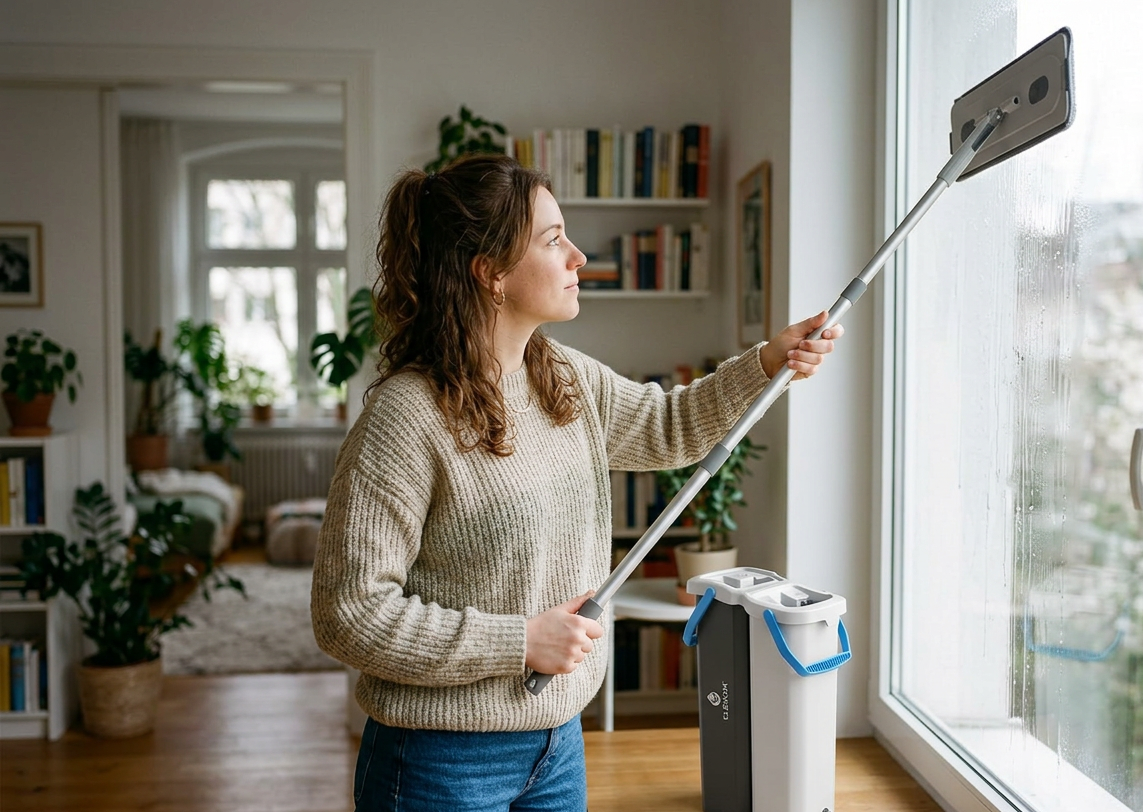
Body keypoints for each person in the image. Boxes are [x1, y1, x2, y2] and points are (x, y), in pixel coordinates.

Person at [311, 152, 845, 812]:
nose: (579, 256)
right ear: (491, 274)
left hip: (558, 745)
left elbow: (667, 427)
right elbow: (347, 613)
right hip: (438, 760)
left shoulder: (561, 376)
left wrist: (767, 362)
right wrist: (519, 642)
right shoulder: (406, 417)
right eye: (553, 238)